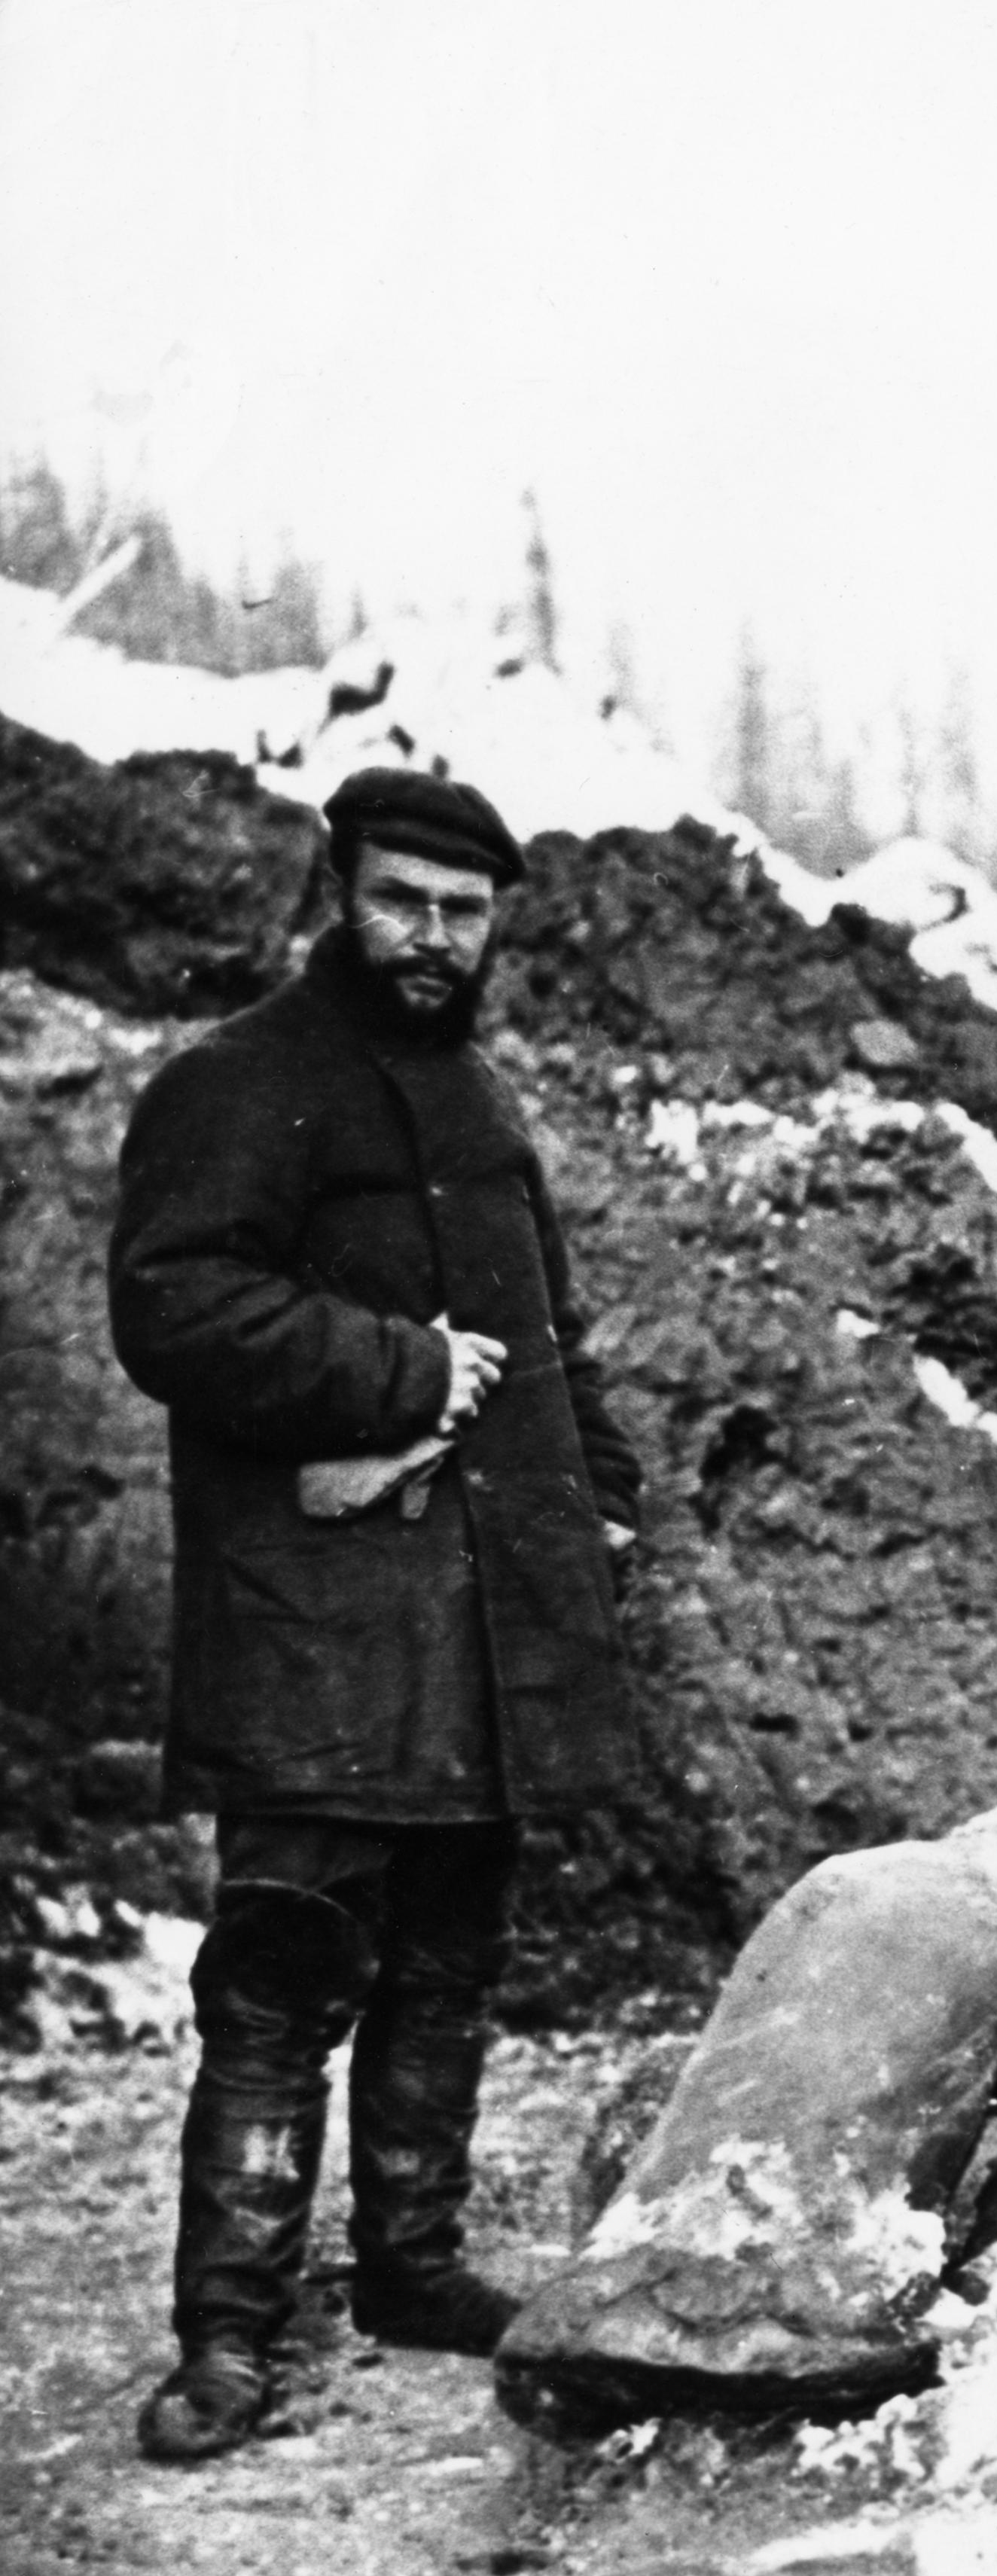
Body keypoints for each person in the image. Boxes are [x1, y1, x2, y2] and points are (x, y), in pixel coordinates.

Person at [108, 766, 645, 2462]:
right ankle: (228, 2335)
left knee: (448, 1962)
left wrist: (600, 1496)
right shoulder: (234, 1082)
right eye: (403, 900)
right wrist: (400, 1369)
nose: (433, 938)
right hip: (318, 1631)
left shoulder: (478, 1101)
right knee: (278, 1979)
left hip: (483, 1629)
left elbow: (546, 1330)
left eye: (464, 911)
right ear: (334, 888)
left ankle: (413, 2267)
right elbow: (173, 1311)